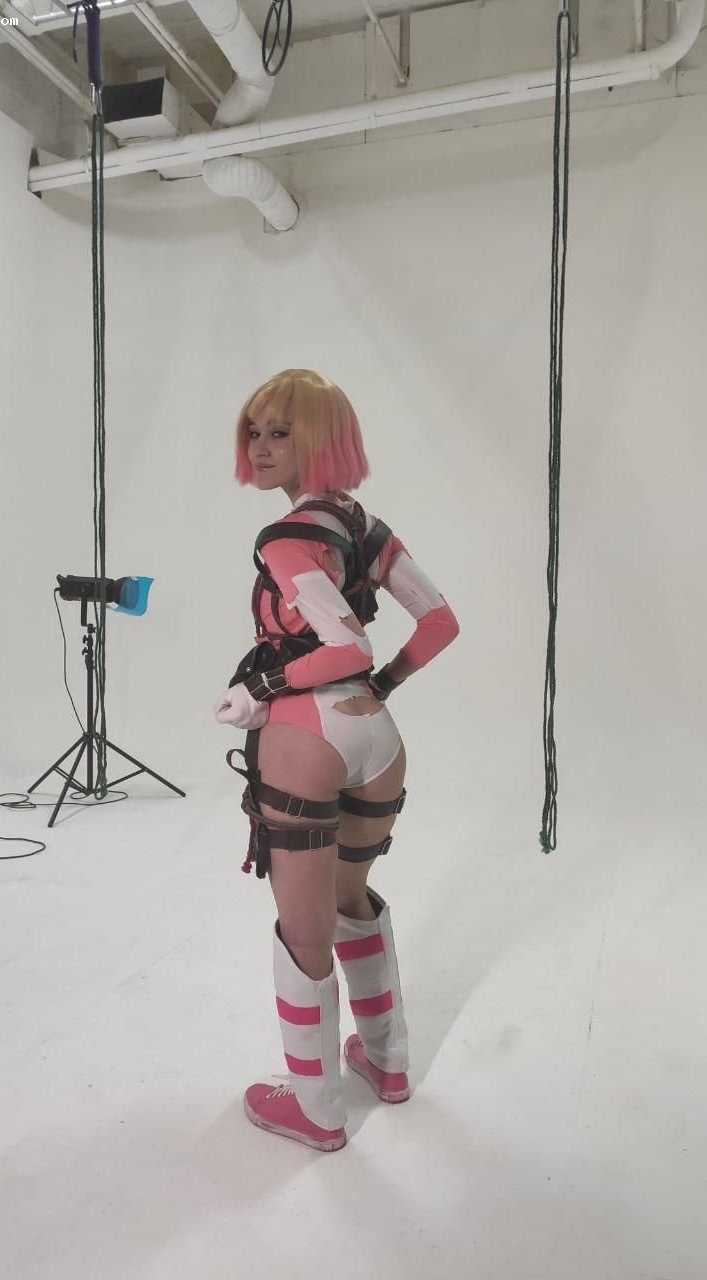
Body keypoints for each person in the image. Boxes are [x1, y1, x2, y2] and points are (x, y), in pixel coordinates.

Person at [213, 369, 460, 1152]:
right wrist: (381, 686)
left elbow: (344, 645)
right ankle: (387, 1062)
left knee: (305, 926)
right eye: (254, 431)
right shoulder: (365, 525)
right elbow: (440, 622)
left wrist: (260, 687)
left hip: (306, 738)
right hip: (375, 735)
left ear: (320, 439)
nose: (260, 447)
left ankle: (316, 1108)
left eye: (280, 432)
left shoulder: (284, 538)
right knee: (351, 896)